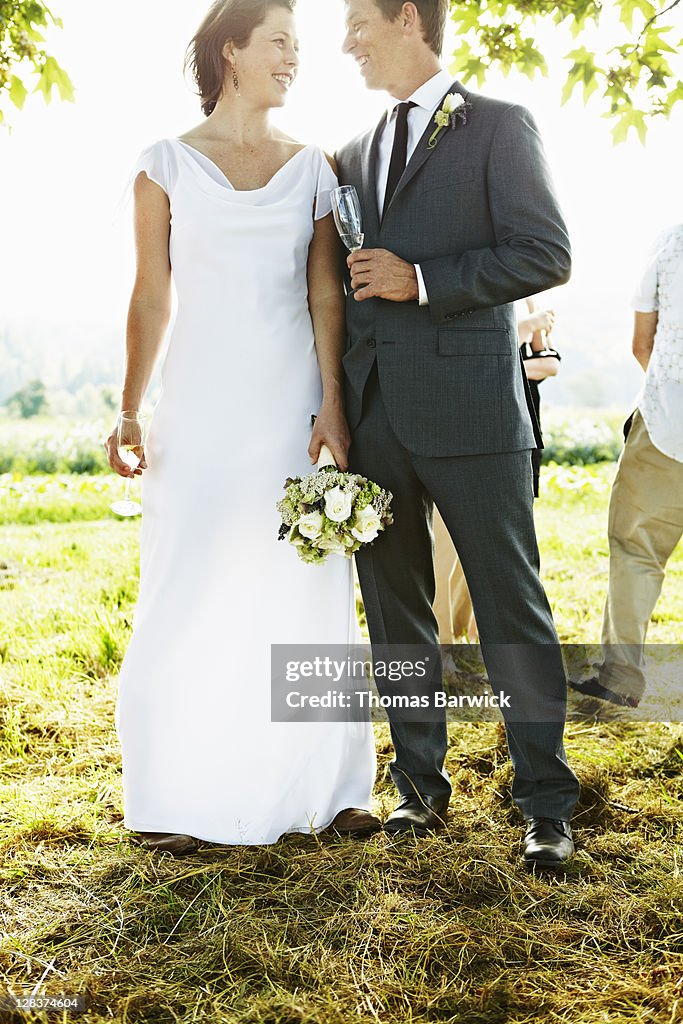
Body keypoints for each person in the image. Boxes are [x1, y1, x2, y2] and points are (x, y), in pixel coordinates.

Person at [105, 0, 378, 854]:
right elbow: (152, 295)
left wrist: (331, 401)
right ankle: (181, 792)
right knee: (190, 580)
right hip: (199, 405)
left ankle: (327, 789)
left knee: (303, 588)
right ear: (232, 53)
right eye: (280, 43)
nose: (295, 58)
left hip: (290, 405)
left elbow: (324, 293)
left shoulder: (316, 167)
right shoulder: (165, 166)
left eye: (297, 46)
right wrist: (127, 407)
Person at [336, 0, 580, 868]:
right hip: (374, 417)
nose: (346, 42)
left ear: (407, 16)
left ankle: (546, 805)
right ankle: (418, 793)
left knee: (511, 610)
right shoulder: (353, 152)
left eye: (357, 22)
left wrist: (424, 280)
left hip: (475, 411)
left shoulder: (500, 126)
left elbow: (544, 253)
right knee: (396, 617)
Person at [571, 224, 683, 708]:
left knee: (637, 550)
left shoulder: (673, 241)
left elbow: (643, 344)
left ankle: (620, 680)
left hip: (667, 423)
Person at [433, 299, 560, 646]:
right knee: (444, 547)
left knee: (500, 544)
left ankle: (471, 631)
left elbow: (548, 363)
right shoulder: (468, 283)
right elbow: (461, 354)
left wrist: (509, 347)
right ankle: (442, 646)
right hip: (460, 429)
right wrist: (523, 330)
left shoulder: (529, 291)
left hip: (518, 427)